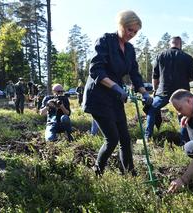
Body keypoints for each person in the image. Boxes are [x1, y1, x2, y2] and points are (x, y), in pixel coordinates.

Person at [82, 10, 152, 176]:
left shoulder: (129, 49)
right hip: (98, 97)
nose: (132, 34)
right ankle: (97, 172)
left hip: (115, 97)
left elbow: (134, 73)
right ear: (121, 25)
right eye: (130, 30)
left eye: (135, 32)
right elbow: (95, 69)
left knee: (125, 139)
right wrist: (115, 87)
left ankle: (129, 173)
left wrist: (145, 93)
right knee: (112, 139)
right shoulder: (105, 41)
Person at [144, 36, 193, 141]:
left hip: (163, 91)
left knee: (152, 109)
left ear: (170, 44)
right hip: (181, 93)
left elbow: (155, 76)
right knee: (183, 113)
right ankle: (184, 140)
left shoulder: (160, 56)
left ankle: (147, 137)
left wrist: (154, 90)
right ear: (180, 44)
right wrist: (184, 80)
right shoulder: (187, 57)